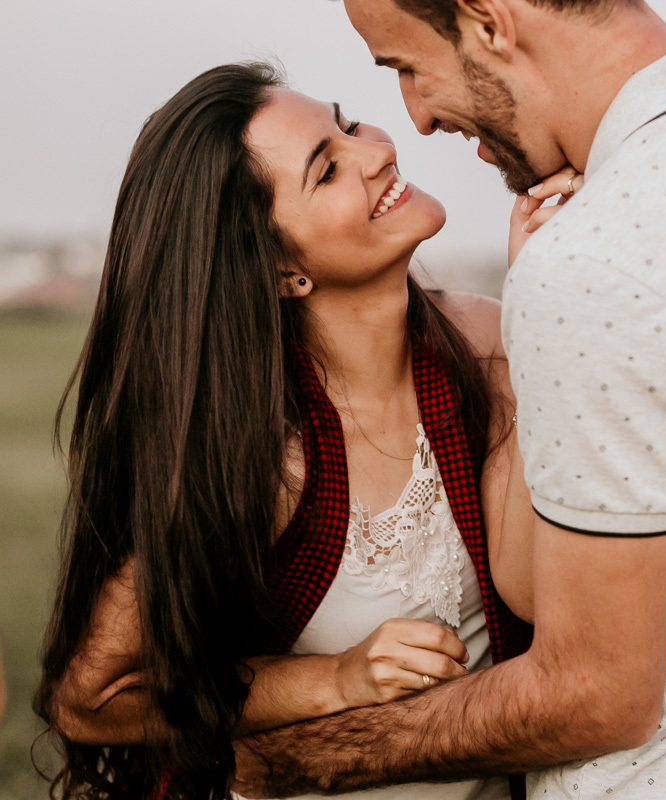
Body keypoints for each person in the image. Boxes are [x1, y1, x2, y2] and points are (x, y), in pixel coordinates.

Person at [233, 1, 666, 798]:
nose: (417, 119)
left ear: (489, 22)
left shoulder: (593, 264)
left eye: (407, 69)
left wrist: (285, 764)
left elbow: (591, 694)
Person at [35, 62, 534, 800]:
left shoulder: (489, 342)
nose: (376, 150)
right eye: (327, 169)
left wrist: (539, 317)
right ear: (277, 267)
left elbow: (535, 594)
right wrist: (334, 679)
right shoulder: (265, 455)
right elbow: (89, 700)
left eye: (346, 122)